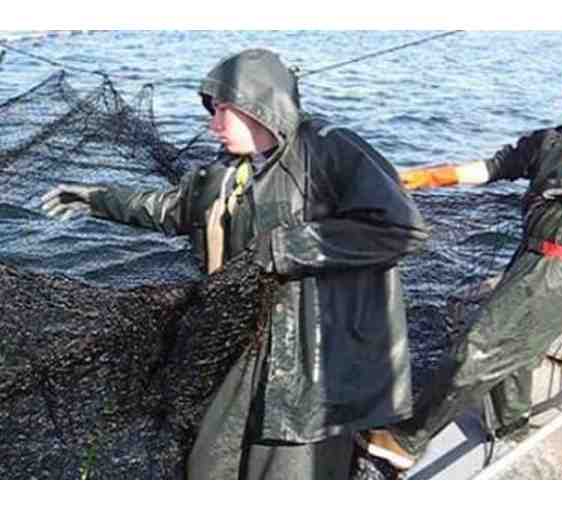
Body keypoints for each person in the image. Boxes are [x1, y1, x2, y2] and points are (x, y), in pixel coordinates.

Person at [41, 48, 429, 479]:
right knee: (209, 464)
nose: (214, 125)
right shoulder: (227, 168)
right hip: (238, 342)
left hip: (310, 368)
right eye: (213, 111)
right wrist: (98, 199)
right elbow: (174, 209)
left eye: (223, 110)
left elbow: (400, 228)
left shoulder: (328, 147)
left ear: (259, 106)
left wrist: (284, 247)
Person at [359, 57, 562, 471]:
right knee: (516, 357)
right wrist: (424, 178)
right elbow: (492, 168)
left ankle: (406, 440)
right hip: (528, 257)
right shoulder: (551, 140)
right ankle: (512, 432)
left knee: (477, 348)